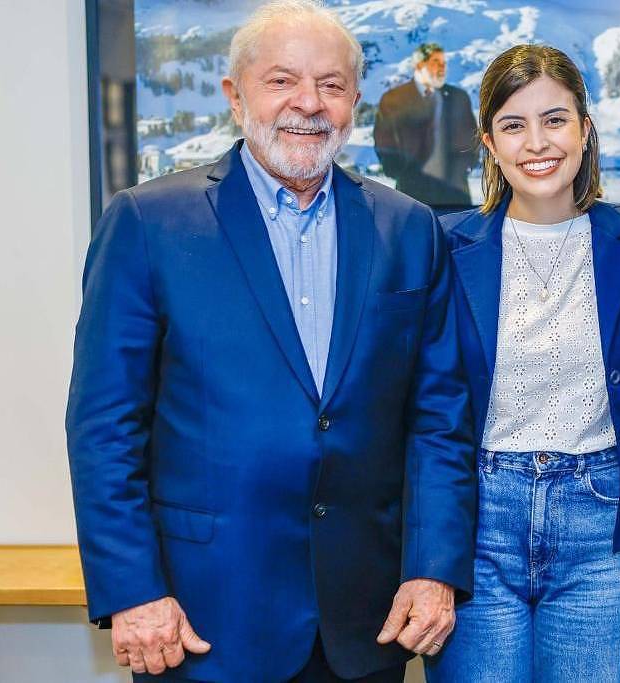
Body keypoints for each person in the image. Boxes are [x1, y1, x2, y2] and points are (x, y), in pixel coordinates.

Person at [65, 2, 476, 681]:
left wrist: (432, 569)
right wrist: (133, 590)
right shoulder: (147, 222)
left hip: (365, 618)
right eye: (282, 80)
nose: (308, 103)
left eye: (332, 85)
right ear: (235, 95)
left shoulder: (408, 229)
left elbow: (439, 421)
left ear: (355, 101)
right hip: (201, 619)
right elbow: (104, 427)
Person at [425, 45, 620, 683]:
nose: (537, 143)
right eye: (513, 125)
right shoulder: (446, 249)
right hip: (476, 528)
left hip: (604, 524)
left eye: (555, 119)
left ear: (585, 127)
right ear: (488, 142)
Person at [373, 43, 478, 206]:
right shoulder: (394, 99)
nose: (442, 67)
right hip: (411, 195)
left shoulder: (459, 97)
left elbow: (472, 138)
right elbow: (383, 141)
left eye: (444, 63)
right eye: (436, 62)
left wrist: (465, 167)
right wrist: (398, 171)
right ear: (420, 65)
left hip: (456, 195)